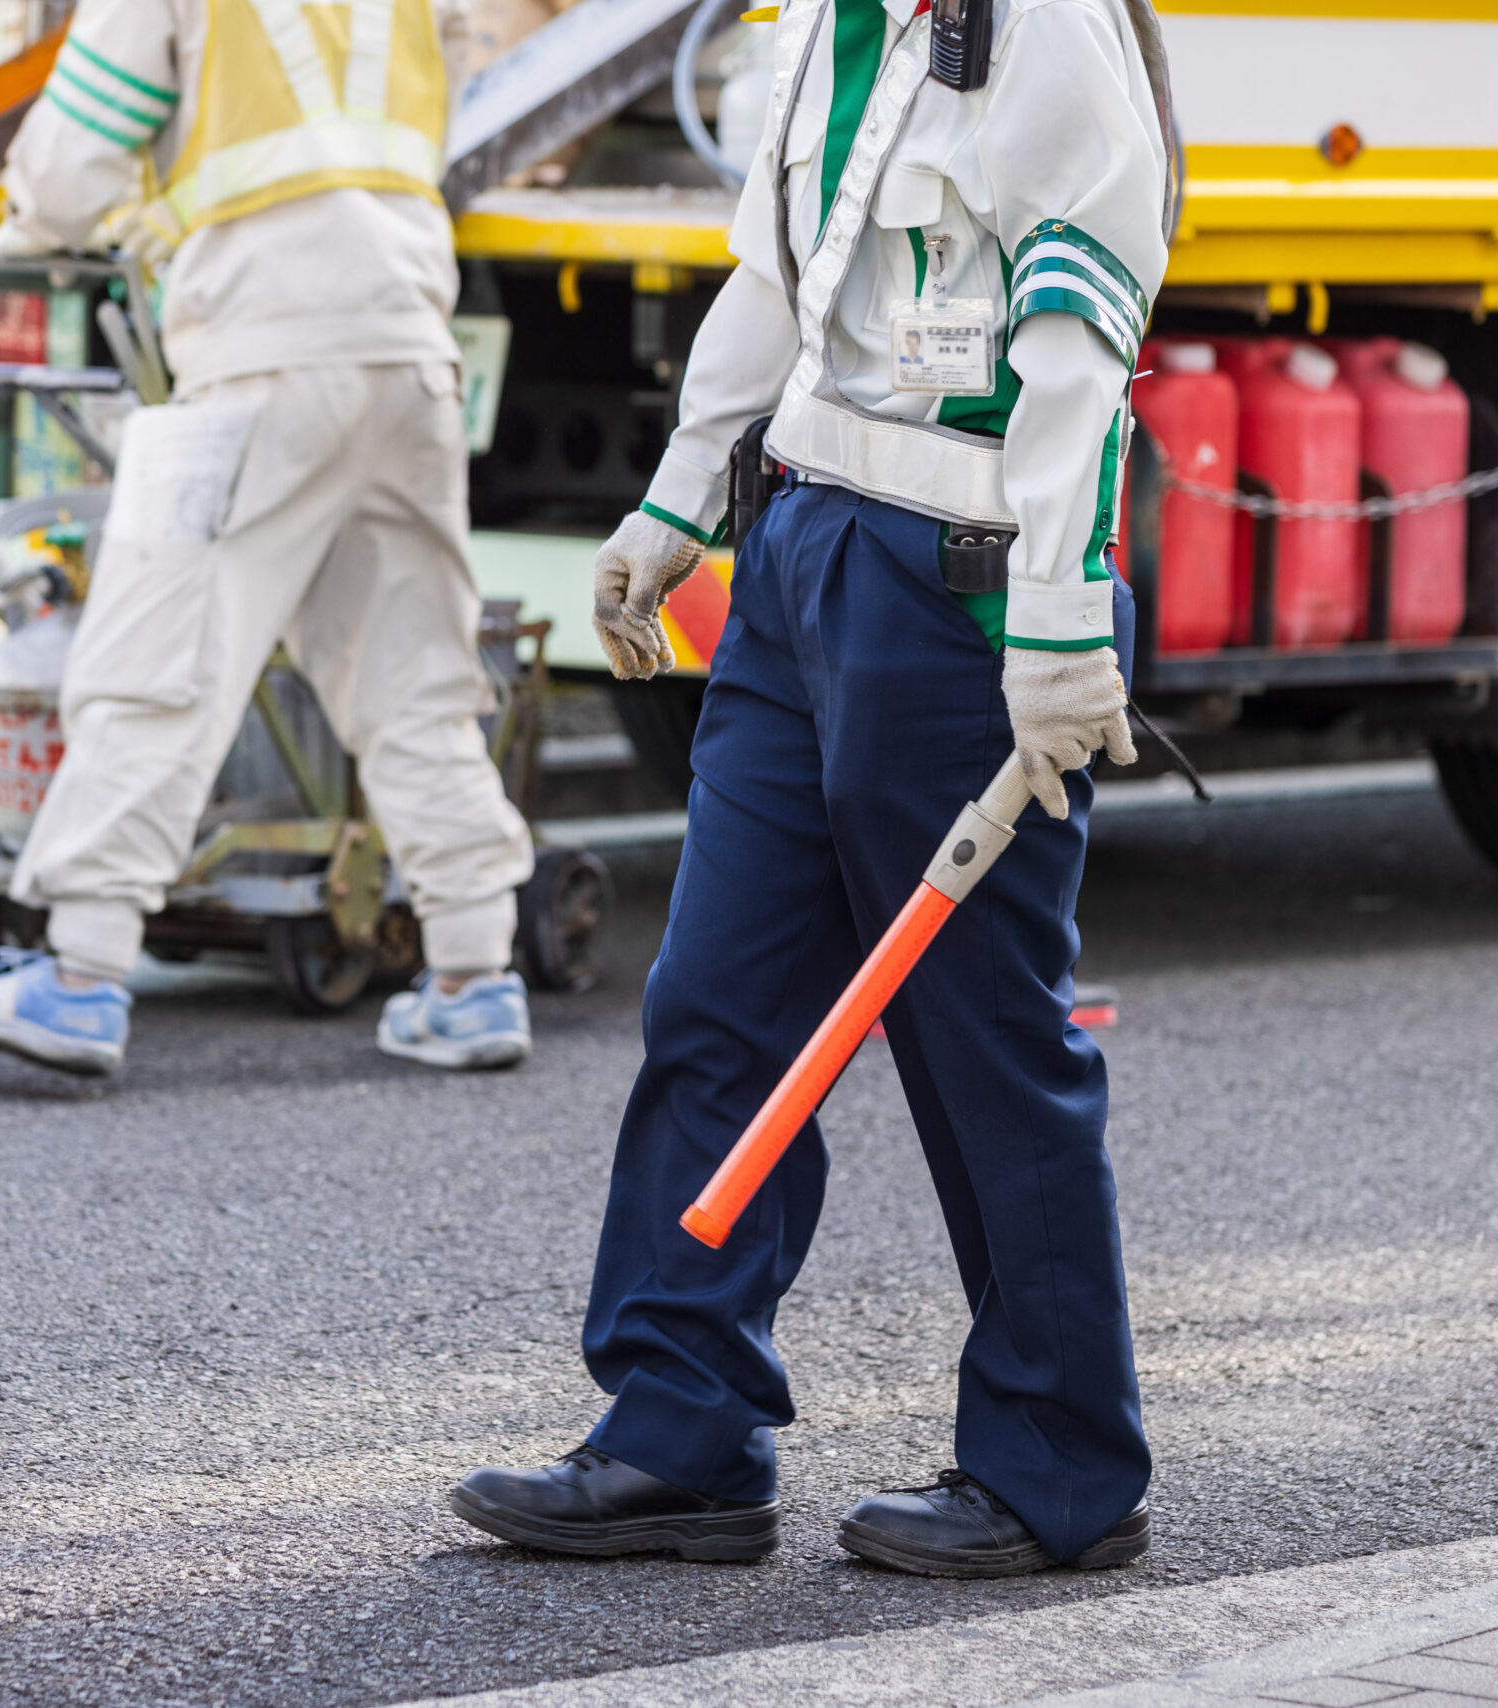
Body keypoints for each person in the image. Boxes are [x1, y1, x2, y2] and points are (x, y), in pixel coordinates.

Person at [450, 0, 1173, 1575]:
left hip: (962, 586)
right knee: (717, 1003)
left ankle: (1063, 1467)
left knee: (979, 1033)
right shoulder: (824, 27)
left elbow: (1082, 330)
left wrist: (1059, 619)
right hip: (801, 554)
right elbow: (777, 286)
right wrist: (676, 504)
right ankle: (677, 1431)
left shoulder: (1036, 23)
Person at [0, 0, 539, 1078]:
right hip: (407, 353)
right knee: (413, 675)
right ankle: (474, 974)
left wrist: (31, 221)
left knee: (158, 662)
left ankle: (80, 974)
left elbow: (67, 168)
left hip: (258, 358)